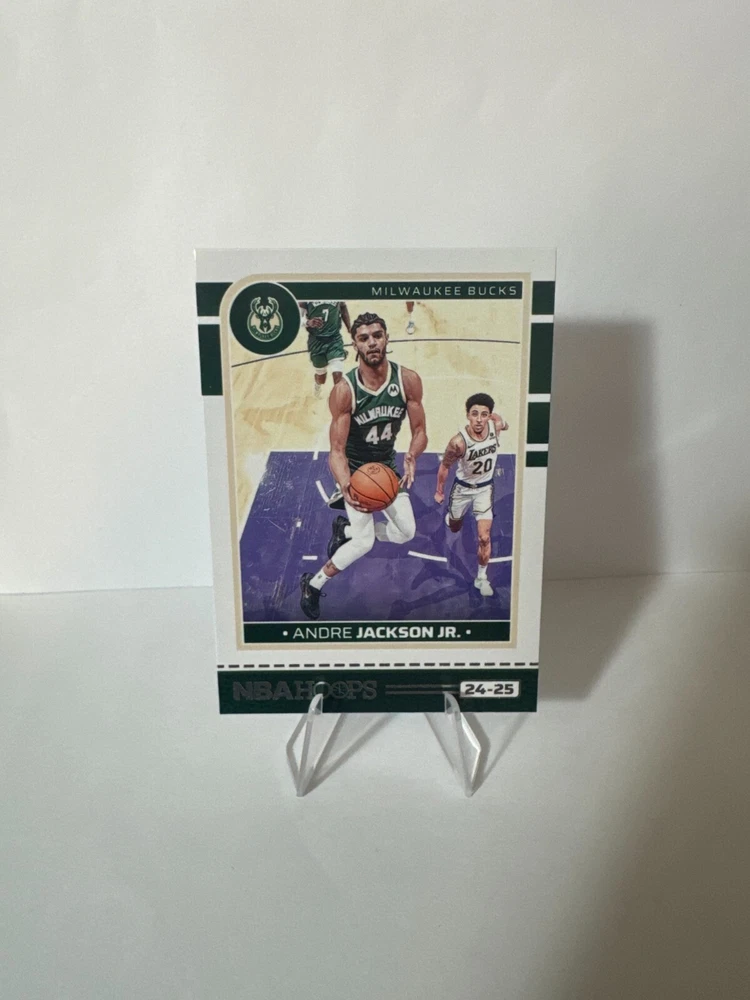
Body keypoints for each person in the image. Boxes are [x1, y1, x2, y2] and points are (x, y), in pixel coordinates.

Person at [300, 312, 428, 619]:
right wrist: (346, 484)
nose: (371, 342)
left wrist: (412, 455)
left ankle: (342, 529)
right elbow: (336, 451)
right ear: (355, 345)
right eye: (363, 338)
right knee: (364, 542)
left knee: (406, 531)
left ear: (386, 338)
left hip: (386, 470)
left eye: (377, 335)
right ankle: (313, 584)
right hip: (356, 473)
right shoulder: (345, 390)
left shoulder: (407, 380)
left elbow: (420, 431)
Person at [434, 393, 508, 596]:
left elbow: (502, 422)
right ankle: (451, 518)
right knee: (455, 526)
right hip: (462, 490)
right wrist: (439, 491)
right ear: (468, 415)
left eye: (484, 414)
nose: (479, 419)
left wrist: (502, 422)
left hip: (484, 489)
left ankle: (481, 578)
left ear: (489, 416)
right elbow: (444, 467)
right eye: (474, 414)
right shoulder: (458, 442)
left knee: (484, 537)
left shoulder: (495, 426)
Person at [298, 300, 351, 398]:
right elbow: (296, 318)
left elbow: (343, 307)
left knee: (337, 375)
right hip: (316, 342)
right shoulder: (305, 297)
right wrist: (308, 322)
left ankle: (338, 401)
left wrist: (350, 328)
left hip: (334, 339)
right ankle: (317, 385)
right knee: (321, 378)